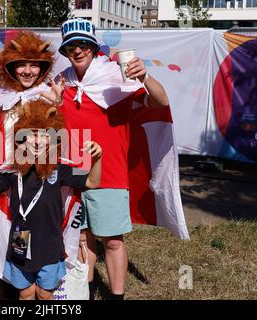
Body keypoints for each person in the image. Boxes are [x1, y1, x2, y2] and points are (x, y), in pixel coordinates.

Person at [57, 18, 170, 300]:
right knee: (81, 237)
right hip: (73, 176)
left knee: (112, 241)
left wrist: (145, 77)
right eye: (71, 47)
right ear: (66, 52)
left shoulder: (116, 77)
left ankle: (116, 296)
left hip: (109, 173)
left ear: (94, 48)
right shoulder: (63, 83)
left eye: (83, 44)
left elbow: (161, 102)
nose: (78, 50)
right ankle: (86, 289)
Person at [0, 99, 102, 300]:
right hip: (20, 243)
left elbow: (92, 182)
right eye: (30, 135)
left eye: (43, 135)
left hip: (50, 246)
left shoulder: (60, 169)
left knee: (44, 293)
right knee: (25, 293)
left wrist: (97, 160)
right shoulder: (14, 171)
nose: (36, 141)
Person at [0, 31, 63, 299]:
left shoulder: (49, 95)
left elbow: (59, 140)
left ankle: (34, 283)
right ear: (11, 68)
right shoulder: (0, 96)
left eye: (34, 64)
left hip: (36, 180)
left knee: (35, 230)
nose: (27, 70)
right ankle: (16, 286)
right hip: (6, 176)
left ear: (43, 67)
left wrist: (58, 106)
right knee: (5, 234)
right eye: (20, 64)